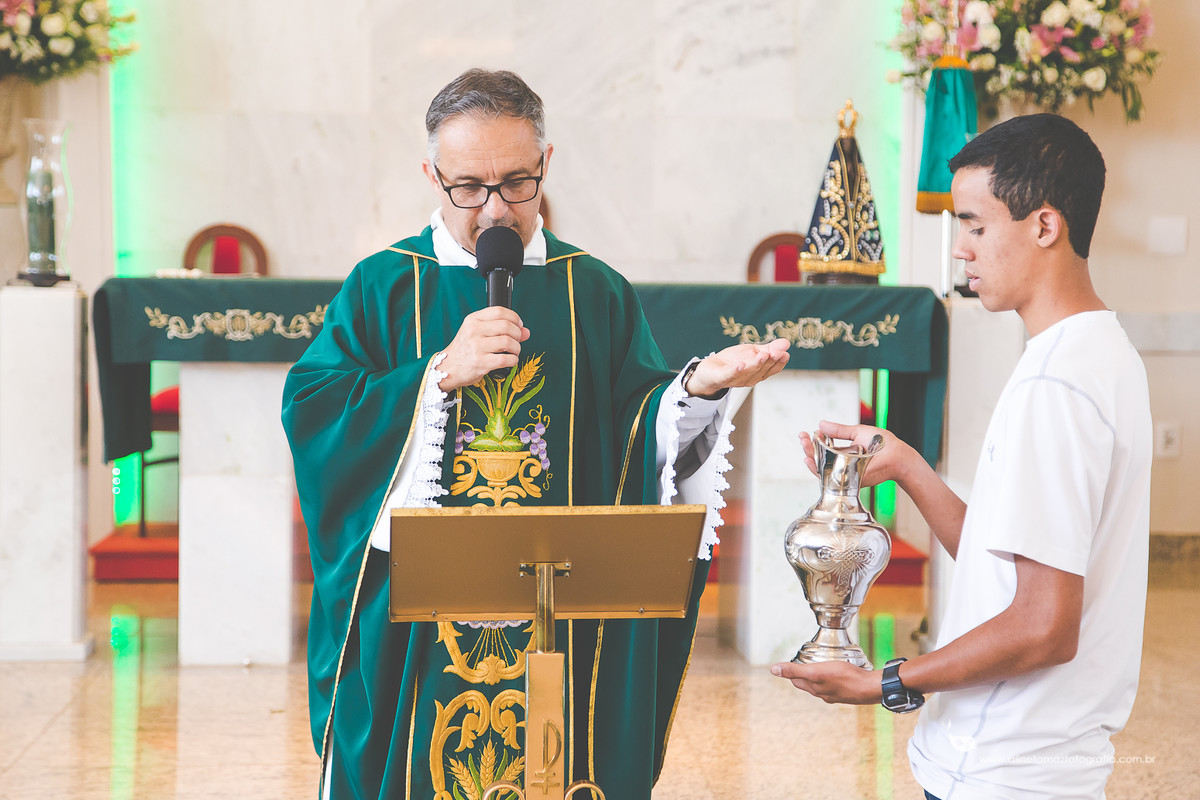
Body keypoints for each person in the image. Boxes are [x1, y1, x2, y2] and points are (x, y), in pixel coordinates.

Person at [282, 68, 789, 800]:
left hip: (563, 619)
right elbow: (315, 407)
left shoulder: (596, 291)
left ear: (546, 165)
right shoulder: (386, 284)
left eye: (516, 183)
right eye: (468, 187)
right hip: (423, 632)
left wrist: (695, 390)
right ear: (432, 176)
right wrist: (433, 377)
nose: (494, 210)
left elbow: (635, 428)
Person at [772, 113, 1151, 800]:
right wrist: (910, 468)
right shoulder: (1101, 354)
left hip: (1005, 770)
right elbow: (1009, 569)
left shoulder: (1056, 384)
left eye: (976, 225)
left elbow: (1043, 626)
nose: (960, 249)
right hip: (1035, 763)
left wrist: (881, 682)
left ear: (1044, 225)